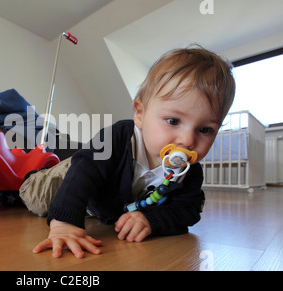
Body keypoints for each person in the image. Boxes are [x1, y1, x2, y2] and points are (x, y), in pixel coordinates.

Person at [26, 46, 236, 258]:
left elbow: (187, 210)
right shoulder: (115, 138)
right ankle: (31, 174)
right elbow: (82, 175)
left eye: (205, 130)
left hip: (99, 206)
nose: (189, 140)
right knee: (37, 197)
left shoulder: (189, 172)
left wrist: (152, 220)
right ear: (140, 113)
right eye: (173, 121)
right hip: (68, 176)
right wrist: (63, 225)